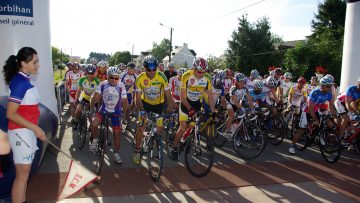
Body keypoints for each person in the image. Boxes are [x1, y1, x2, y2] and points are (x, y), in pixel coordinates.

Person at [3, 47, 47, 203]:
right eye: (34, 62)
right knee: (22, 176)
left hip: (25, 133)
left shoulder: (23, 80)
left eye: (38, 62)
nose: (37, 65)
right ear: (23, 63)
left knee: (23, 175)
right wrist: (35, 128)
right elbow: (11, 114)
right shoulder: (20, 83)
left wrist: (34, 128)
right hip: (21, 133)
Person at [171, 57, 216, 160]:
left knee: (191, 127)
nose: (201, 74)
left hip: (196, 104)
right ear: (194, 69)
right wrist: (189, 108)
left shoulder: (208, 78)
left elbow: (210, 96)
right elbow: (182, 96)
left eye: (203, 72)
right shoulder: (186, 76)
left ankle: (184, 140)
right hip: (185, 103)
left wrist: (214, 112)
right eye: (199, 71)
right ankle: (174, 147)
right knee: (183, 127)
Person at [132, 56, 174, 164]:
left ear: (157, 68)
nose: (151, 72)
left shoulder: (162, 77)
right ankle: (137, 151)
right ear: (144, 68)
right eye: (148, 70)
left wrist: (171, 108)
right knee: (142, 127)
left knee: (159, 128)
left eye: (154, 69)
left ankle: (151, 140)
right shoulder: (140, 78)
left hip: (158, 105)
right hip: (144, 104)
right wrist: (141, 111)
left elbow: (168, 95)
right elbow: (137, 98)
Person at [289, 77, 337, 154]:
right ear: (322, 86)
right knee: (301, 130)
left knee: (326, 121)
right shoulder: (315, 93)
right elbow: (310, 109)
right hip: (307, 110)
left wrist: (335, 117)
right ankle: (292, 145)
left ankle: (319, 135)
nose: (330, 88)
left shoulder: (329, 93)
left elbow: (331, 106)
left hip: (316, 109)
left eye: (331, 86)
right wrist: (315, 120)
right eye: (328, 86)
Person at [89, 67, 128, 164]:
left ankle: (116, 154)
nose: (114, 80)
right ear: (107, 76)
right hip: (104, 110)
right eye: (111, 77)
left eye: (116, 78)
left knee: (117, 134)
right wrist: (92, 109)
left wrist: (123, 115)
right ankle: (94, 141)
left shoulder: (121, 85)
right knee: (94, 124)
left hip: (116, 112)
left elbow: (124, 101)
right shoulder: (103, 84)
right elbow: (95, 97)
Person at [222, 73, 254, 137]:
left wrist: (252, 108)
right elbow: (236, 103)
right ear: (236, 82)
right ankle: (227, 131)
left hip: (237, 103)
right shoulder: (233, 89)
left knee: (238, 116)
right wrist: (243, 108)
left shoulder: (245, 89)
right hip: (229, 102)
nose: (242, 84)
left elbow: (249, 99)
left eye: (244, 82)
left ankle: (234, 127)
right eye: (240, 82)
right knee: (232, 116)